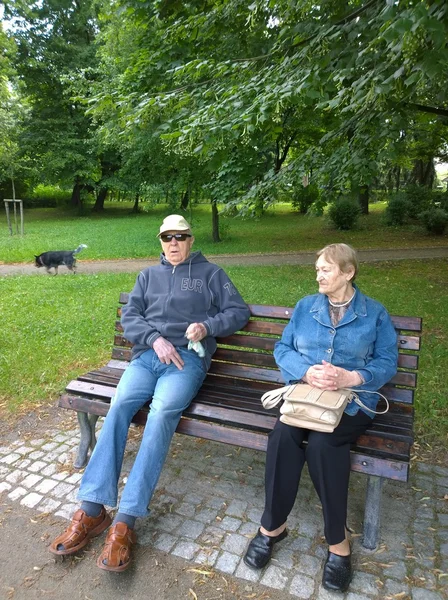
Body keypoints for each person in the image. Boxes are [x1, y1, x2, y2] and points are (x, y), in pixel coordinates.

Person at [49, 214, 250, 572]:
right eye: (167, 237)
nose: (173, 243)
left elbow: (237, 312)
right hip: (147, 359)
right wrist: (154, 339)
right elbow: (131, 316)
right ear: (160, 241)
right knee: (120, 405)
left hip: (186, 361)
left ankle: (125, 520)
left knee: (160, 414)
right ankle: (92, 509)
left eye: (180, 236)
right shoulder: (147, 276)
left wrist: (207, 326)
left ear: (190, 239)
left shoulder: (212, 275)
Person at [243, 243, 398, 593]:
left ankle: (337, 543)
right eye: (317, 269)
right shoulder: (304, 308)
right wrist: (306, 372)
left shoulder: (374, 313)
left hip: (352, 403)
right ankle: (272, 527)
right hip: (307, 399)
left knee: (325, 445)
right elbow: (282, 349)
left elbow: (388, 361)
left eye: (326, 270)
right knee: (283, 435)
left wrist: (351, 377)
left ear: (348, 272)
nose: (318, 275)